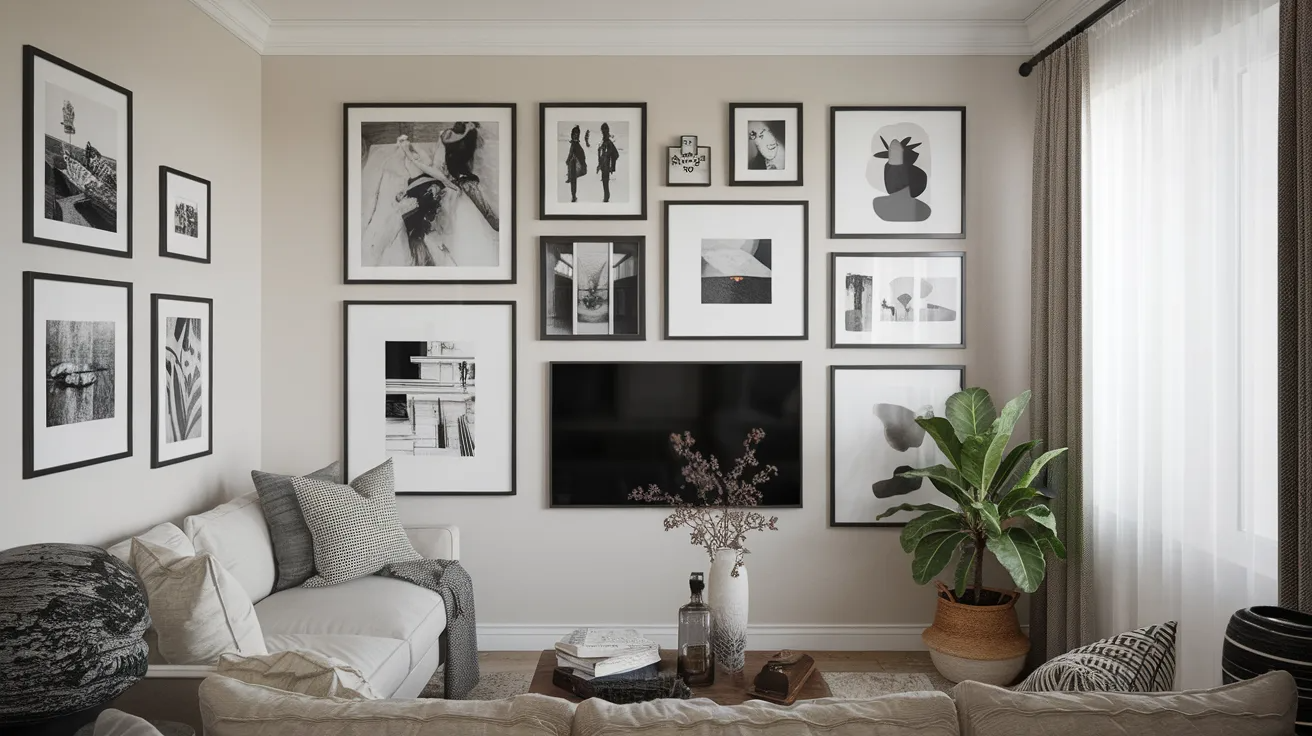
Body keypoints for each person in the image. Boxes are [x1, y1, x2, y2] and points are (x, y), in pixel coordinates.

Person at [596, 122, 619, 204]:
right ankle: (606, 198)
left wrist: (612, 166)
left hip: (606, 167)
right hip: (603, 167)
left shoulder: (608, 143)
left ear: (607, 131)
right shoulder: (603, 142)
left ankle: (606, 199)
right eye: (603, 132)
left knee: (605, 183)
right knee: (605, 183)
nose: (604, 133)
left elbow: (616, 154)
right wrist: (599, 165)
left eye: (605, 131)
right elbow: (601, 155)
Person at [565, 125, 586, 203]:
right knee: (573, 181)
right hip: (574, 165)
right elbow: (573, 154)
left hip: (574, 165)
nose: (576, 135)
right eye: (575, 134)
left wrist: (568, 160)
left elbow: (572, 154)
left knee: (573, 181)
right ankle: (573, 196)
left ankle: (573, 197)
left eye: (577, 134)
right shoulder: (575, 144)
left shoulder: (574, 144)